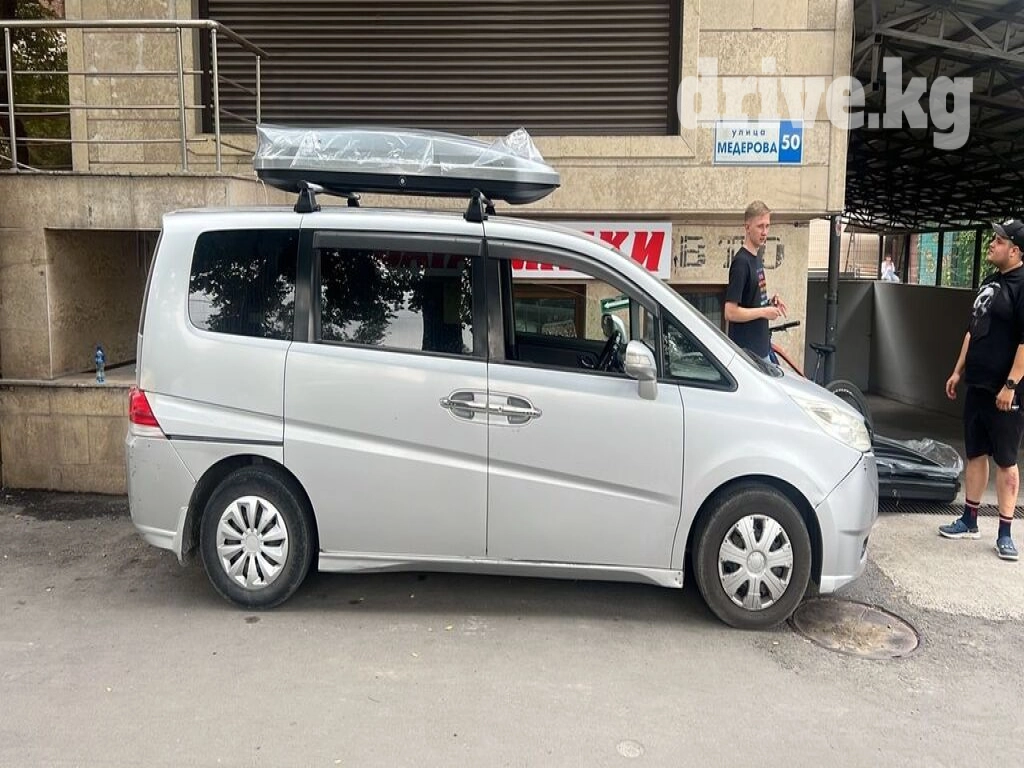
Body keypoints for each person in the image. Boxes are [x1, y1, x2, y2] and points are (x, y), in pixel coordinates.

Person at [941, 217, 1024, 561]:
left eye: (1000, 241)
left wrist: (1010, 385)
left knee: (1005, 460)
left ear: (1016, 251)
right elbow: (972, 330)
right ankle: (969, 519)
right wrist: (958, 370)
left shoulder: (1022, 285)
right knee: (975, 453)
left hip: (1004, 391)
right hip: (976, 383)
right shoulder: (990, 282)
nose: (992, 244)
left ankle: (1005, 533)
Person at [725, 200, 786, 362]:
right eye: (760, 226)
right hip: (748, 356)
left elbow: (751, 302)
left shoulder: (756, 258)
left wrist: (770, 303)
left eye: (767, 226)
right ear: (747, 227)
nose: (764, 232)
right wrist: (764, 312)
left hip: (761, 350)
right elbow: (730, 312)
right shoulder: (741, 262)